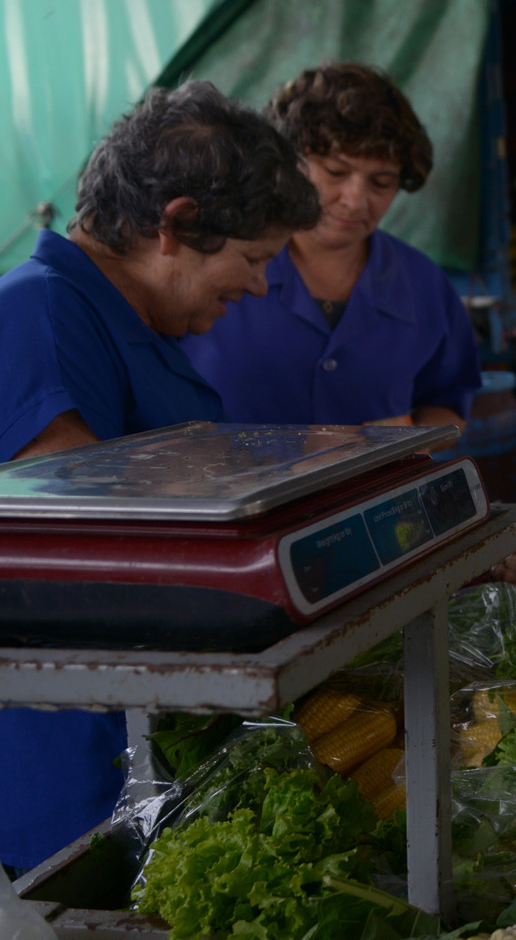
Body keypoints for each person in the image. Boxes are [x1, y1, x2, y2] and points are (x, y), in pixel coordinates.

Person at [0, 82, 320, 875]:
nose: (256, 287)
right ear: (175, 224)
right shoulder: (39, 314)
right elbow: (82, 528)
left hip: (150, 734)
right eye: (251, 259)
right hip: (72, 763)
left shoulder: (125, 321)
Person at [183, 64, 481, 427]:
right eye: (336, 173)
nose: (355, 201)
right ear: (289, 161)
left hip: (375, 487)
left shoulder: (425, 287)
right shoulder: (210, 267)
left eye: (382, 182)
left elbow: (448, 404)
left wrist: (408, 437)